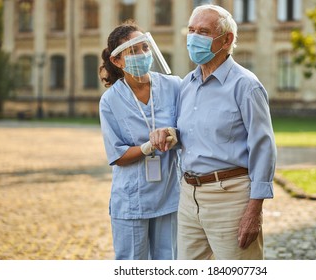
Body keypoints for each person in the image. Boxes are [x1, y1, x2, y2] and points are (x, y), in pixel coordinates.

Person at [150, 5, 277, 260]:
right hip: (189, 196)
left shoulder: (246, 86)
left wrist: (255, 209)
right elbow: (190, 133)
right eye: (192, 30)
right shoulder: (188, 83)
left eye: (204, 32)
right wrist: (171, 135)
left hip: (230, 198)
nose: (194, 38)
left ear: (227, 40)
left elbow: (264, 148)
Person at [98, 21, 181, 260]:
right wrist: (148, 147)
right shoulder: (110, 101)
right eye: (133, 51)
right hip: (132, 200)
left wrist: (174, 133)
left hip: (169, 196)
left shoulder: (174, 86)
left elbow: (192, 127)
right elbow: (118, 156)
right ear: (117, 61)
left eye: (145, 48)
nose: (142, 55)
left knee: (169, 263)